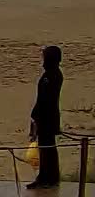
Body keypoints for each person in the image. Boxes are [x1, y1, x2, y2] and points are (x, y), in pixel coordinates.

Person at [29, 45, 64, 189]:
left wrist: (36, 115)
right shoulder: (48, 74)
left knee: (49, 148)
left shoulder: (54, 75)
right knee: (43, 148)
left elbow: (46, 99)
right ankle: (43, 177)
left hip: (48, 118)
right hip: (43, 117)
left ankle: (51, 178)